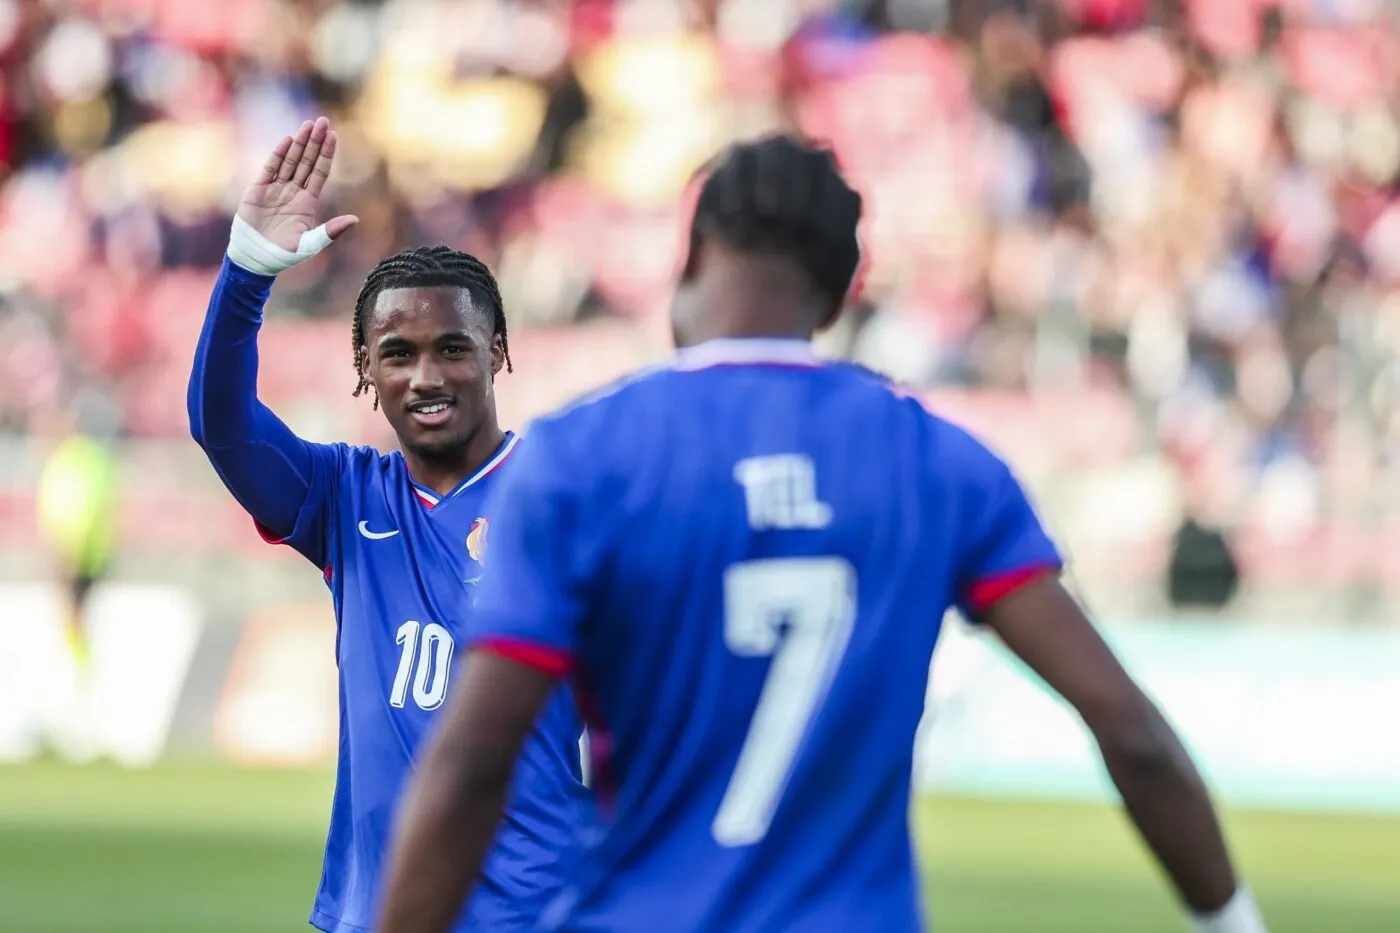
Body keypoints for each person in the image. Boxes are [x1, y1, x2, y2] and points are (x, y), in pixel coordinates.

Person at [376, 135, 1269, 933]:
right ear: (840, 295)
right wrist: (1231, 919)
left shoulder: (582, 456)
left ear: (691, 262)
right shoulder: (939, 462)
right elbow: (1132, 731)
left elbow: (471, 762)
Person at [187, 117, 590, 933]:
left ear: (498, 352)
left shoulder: (566, 498)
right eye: (398, 352)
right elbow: (221, 424)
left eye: (453, 347)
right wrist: (247, 273)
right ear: (365, 368)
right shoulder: (345, 496)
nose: (426, 375)